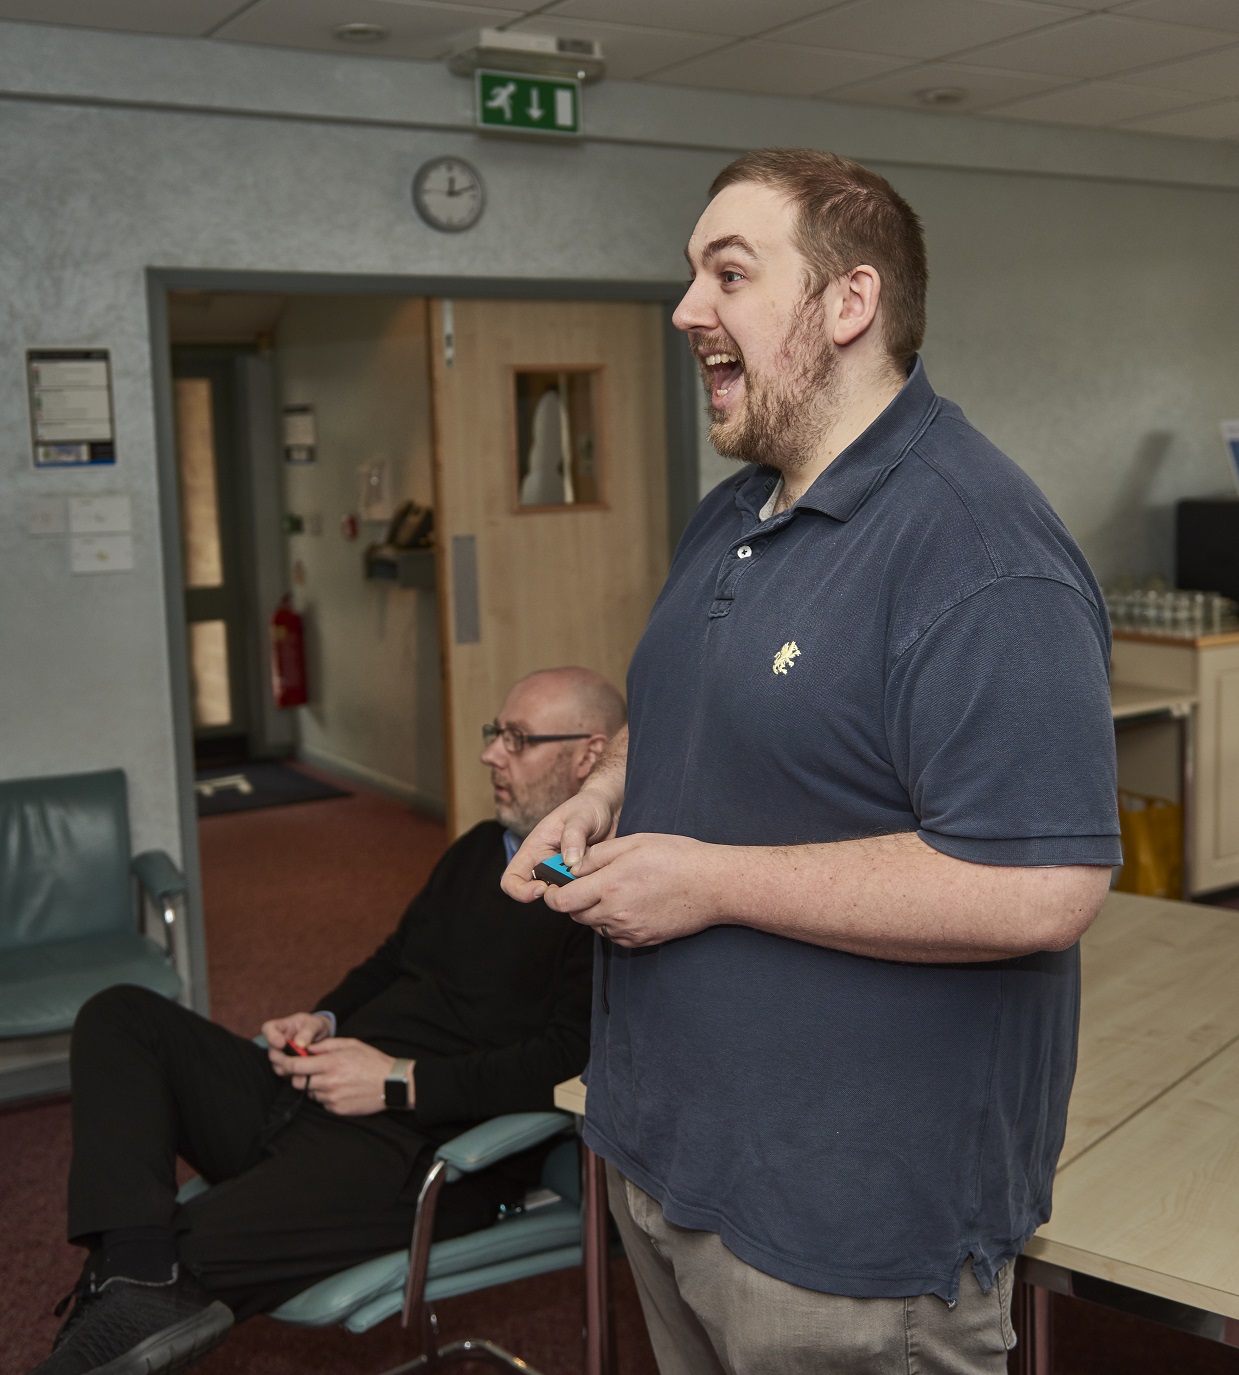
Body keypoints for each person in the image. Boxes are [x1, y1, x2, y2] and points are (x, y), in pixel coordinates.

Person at [504, 150, 1121, 1375]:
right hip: (672, 1158)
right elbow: (694, 714)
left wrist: (713, 880)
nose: (686, 309)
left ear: (848, 304)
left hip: (846, 1233)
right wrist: (601, 786)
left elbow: (1043, 887)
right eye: (691, 274)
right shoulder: (736, 510)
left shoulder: (982, 551)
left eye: (729, 273)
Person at [33, 666, 626, 1375]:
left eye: (517, 739)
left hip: (409, 1148)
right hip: (315, 1090)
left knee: (184, 1253)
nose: (490, 754)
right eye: (494, 733)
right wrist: (322, 1015)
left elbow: (568, 1057)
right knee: (120, 1013)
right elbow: (392, 959)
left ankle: (137, 1279)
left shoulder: (598, 893)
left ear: (588, 757)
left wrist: (400, 1082)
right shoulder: (478, 848)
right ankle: (135, 1267)